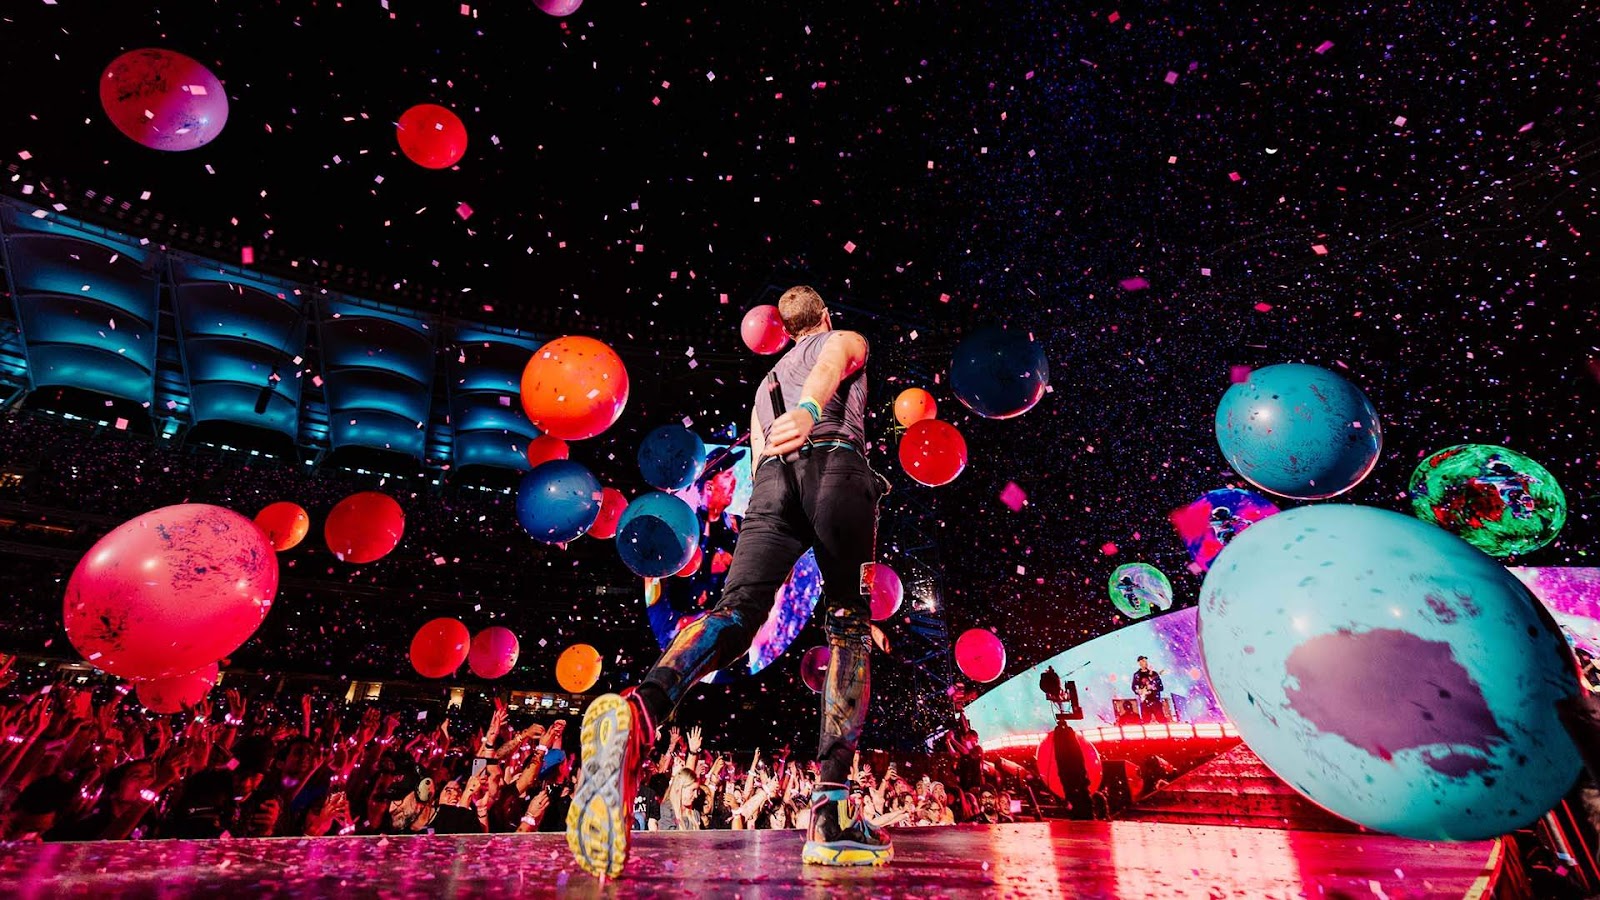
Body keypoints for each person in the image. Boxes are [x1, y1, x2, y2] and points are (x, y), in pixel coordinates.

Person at [567, 285, 890, 878]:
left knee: (737, 612)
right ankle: (831, 813)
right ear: (819, 318)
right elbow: (828, 364)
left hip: (771, 483)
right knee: (848, 629)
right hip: (835, 464)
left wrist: (791, 428)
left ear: (782, 329)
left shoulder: (765, 383)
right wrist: (814, 410)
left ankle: (642, 710)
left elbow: (768, 447)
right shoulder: (843, 338)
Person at [1131, 656, 1167, 724]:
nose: (1145, 663)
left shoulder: (1154, 674)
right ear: (1139, 663)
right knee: (1146, 721)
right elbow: (1133, 687)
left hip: (1155, 701)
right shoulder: (1136, 675)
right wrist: (1139, 691)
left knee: (1161, 720)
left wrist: (1153, 687)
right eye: (1143, 661)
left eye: (1146, 661)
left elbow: (1161, 687)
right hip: (1144, 703)